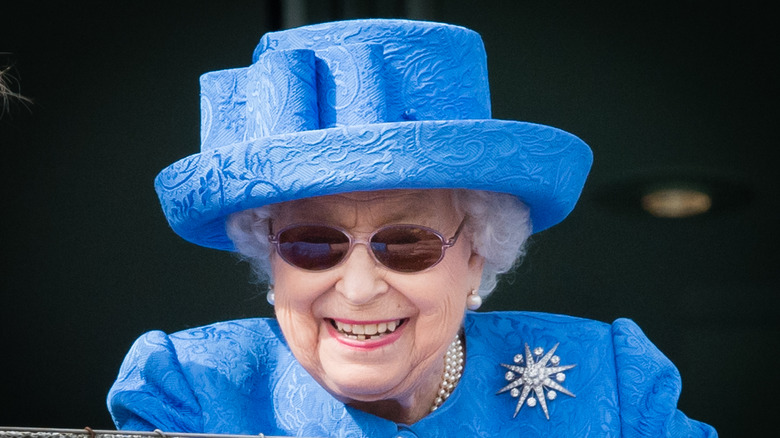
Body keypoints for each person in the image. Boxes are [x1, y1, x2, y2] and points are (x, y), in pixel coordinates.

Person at [107, 19, 717, 436]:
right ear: (271, 261)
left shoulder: (611, 384)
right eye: (312, 244)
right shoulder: (192, 391)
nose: (358, 288)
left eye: (406, 244)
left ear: (477, 254)